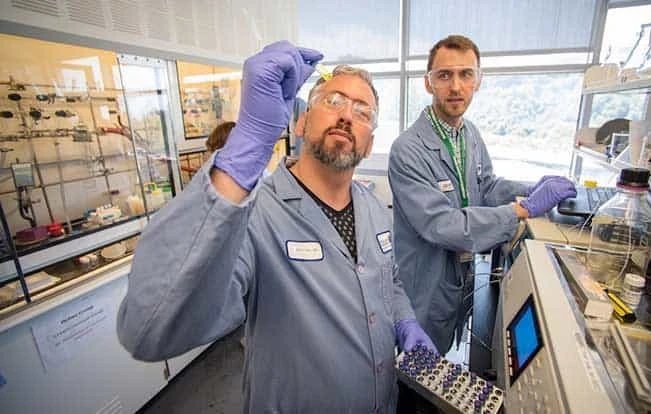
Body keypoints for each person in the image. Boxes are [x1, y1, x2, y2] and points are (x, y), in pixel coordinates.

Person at [117, 41, 436, 413]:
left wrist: (406, 321)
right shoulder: (253, 213)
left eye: (363, 111)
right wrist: (249, 141)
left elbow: (390, 282)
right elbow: (149, 330)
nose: (347, 115)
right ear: (300, 122)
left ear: (369, 146)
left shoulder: (375, 209)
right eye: (333, 101)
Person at [388, 35, 576, 355]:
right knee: (417, 367)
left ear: (479, 80)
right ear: (428, 82)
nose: (456, 87)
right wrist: (522, 210)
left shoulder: (469, 133)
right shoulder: (407, 149)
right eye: (444, 76)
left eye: (466, 74)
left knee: (443, 358)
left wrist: (529, 189)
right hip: (425, 284)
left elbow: (485, 186)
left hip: (460, 275)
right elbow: (442, 225)